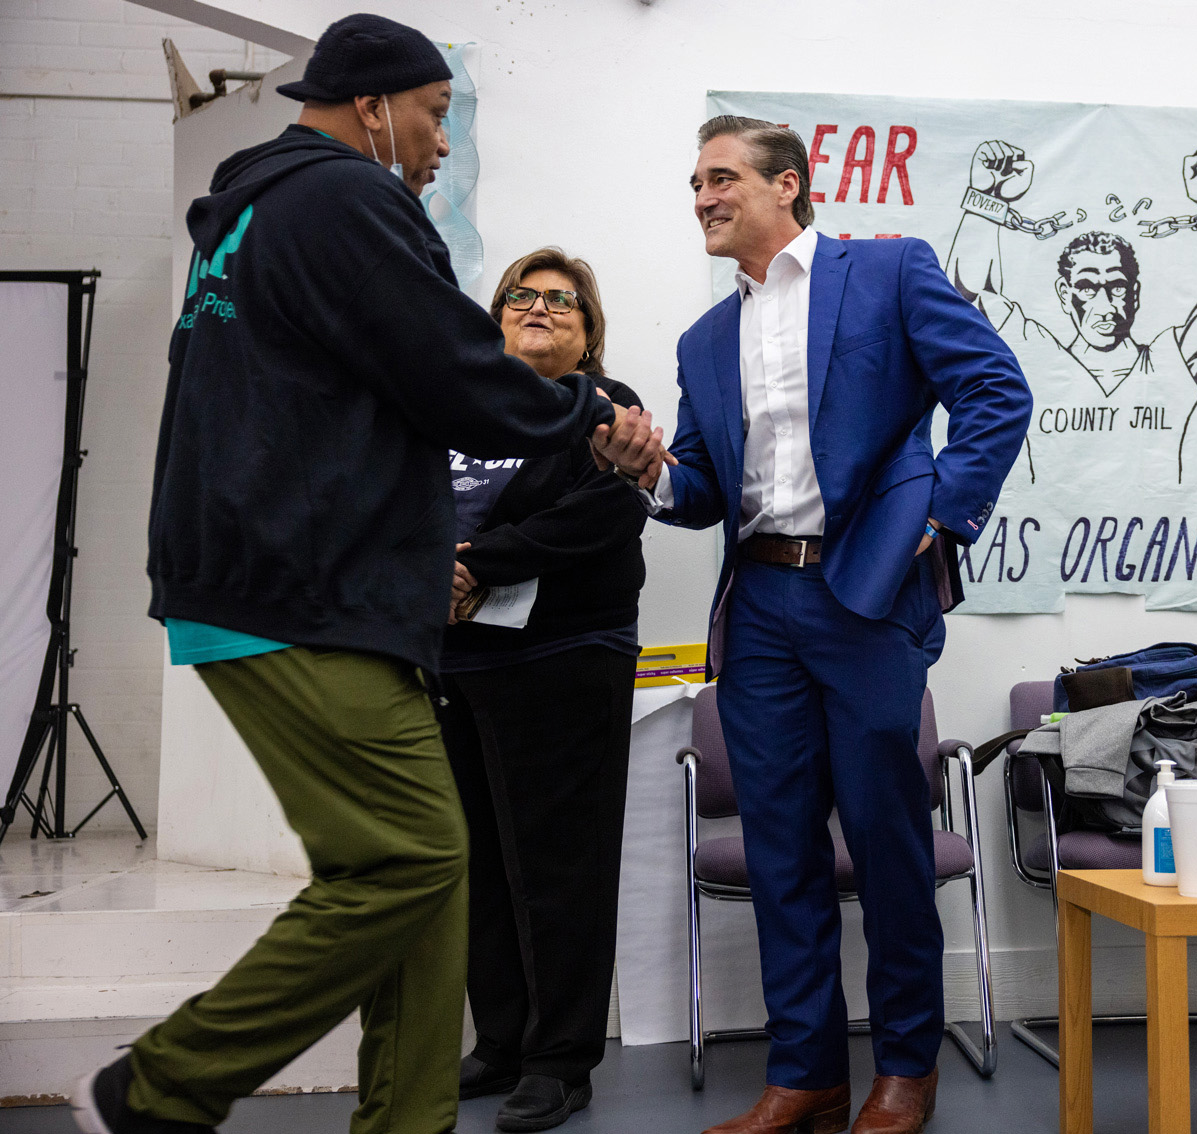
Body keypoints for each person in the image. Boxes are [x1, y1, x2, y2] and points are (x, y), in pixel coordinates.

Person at [72, 16, 614, 1134]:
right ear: (372, 106)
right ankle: (161, 1086)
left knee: (430, 886)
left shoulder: (256, 211)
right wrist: (589, 417)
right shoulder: (344, 199)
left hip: (287, 579)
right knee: (408, 858)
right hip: (299, 587)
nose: (442, 144)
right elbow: (457, 374)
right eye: (433, 115)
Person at [594, 116, 1031, 1134]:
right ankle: (806, 1076)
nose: (701, 198)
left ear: (786, 183)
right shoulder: (704, 340)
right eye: (693, 184)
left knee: (886, 838)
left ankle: (906, 1068)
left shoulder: (887, 273)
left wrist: (937, 519)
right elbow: (705, 489)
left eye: (719, 178)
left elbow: (994, 390)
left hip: (866, 595)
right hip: (758, 607)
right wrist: (647, 473)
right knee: (781, 848)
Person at [437, 248, 646, 1132]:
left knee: (561, 868)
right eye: (522, 296)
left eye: (564, 301)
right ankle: (502, 1040)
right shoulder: (457, 407)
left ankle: (561, 1061)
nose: (540, 308)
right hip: (455, 661)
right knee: (480, 862)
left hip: (564, 658)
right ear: (495, 319)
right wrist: (429, 566)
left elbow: (604, 514)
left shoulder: (607, 410)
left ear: (589, 334)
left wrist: (477, 564)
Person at [945, 140, 1197, 484]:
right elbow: (968, 302)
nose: (1105, 304)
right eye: (1086, 287)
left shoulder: (1167, 367)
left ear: (1135, 294)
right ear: (1065, 295)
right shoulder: (1038, 362)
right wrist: (987, 199)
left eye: (1117, 286)